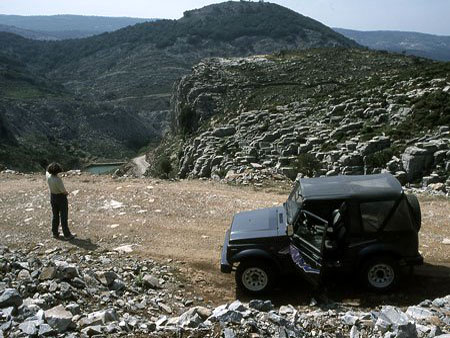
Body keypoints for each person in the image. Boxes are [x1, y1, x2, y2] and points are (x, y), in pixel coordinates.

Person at [46, 163, 75, 240]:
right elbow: (63, 191)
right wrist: (67, 193)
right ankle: (67, 234)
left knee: (55, 216)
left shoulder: (49, 177)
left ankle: (55, 233)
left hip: (53, 196)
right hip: (61, 198)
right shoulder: (58, 179)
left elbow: (47, 172)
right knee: (63, 216)